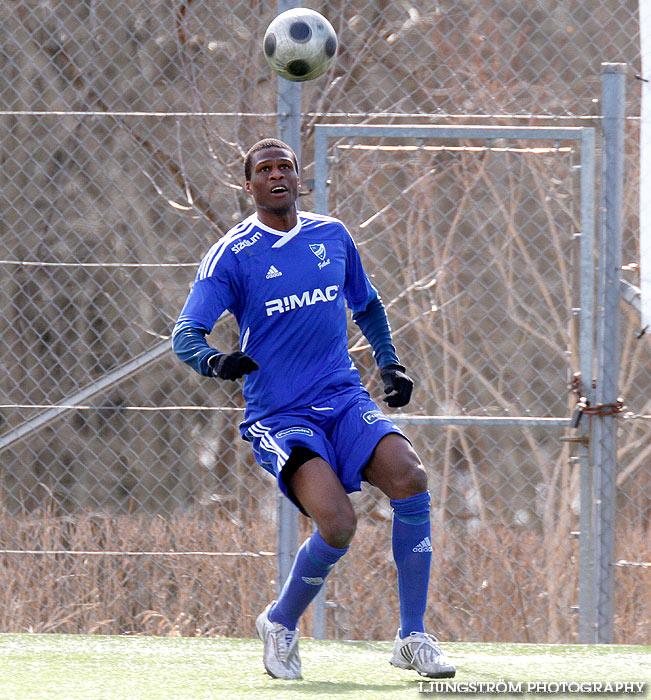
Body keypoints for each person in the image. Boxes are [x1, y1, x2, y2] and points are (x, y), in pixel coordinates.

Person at [172, 138, 455, 681]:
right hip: (281, 416)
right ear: (249, 184)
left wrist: (390, 364)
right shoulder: (232, 255)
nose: (277, 175)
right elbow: (185, 335)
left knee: (410, 476)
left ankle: (413, 637)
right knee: (339, 523)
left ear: (300, 179)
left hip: (343, 397)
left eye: (286, 167)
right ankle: (280, 623)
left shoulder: (333, 235)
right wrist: (216, 362)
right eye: (264, 169)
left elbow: (367, 304)